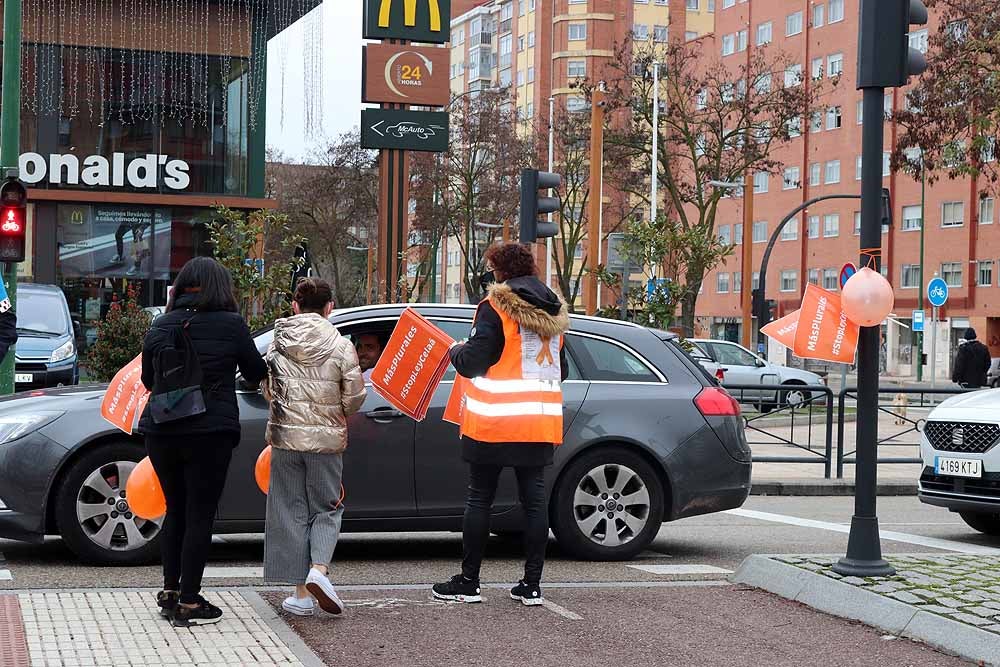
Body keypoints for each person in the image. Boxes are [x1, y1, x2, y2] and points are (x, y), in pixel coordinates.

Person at [432, 242, 569, 607]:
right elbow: (562, 369)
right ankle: (532, 586)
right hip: (539, 422)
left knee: (480, 498)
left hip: (494, 421)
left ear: (502, 271)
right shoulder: (554, 311)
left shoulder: (494, 307)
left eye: (492, 268)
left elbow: (474, 362)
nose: (490, 274)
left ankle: (469, 581)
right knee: (535, 501)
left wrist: (455, 351)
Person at [139, 257, 268, 627]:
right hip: (209, 432)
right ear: (220, 288)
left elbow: (149, 380)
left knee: (175, 510)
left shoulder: (161, 325)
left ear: (180, 288)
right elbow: (255, 372)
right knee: (199, 514)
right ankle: (191, 600)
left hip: (162, 430)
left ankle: (170, 591)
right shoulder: (231, 325)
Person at [263, 278, 366, 616]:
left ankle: (300, 596)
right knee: (327, 507)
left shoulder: (278, 343)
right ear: (329, 308)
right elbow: (353, 400)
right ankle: (318, 570)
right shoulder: (341, 346)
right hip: (326, 441)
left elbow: (269, 391)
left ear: (295, 305)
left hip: (285, 440)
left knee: (290, 509)